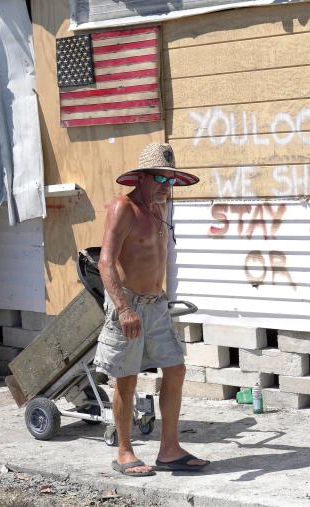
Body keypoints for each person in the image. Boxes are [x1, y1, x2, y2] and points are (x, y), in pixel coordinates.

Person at [95, 142, 209, 477]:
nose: (165, 187)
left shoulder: (161, 208)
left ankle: (170, 450)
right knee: (126, 379)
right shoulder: (123, 208)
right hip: (128, 305)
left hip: (156, 305)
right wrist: (123, 308)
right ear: (142, 178)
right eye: (161, 179)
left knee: (175, 370)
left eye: (171, 181)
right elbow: (105, 262)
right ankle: (125, 450)